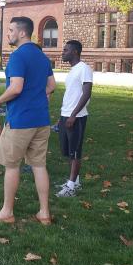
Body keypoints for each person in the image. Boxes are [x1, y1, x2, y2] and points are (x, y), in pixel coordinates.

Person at [0, 17, 56, 225]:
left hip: (21, 120)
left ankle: (7, 212)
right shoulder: (42, 57)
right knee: (39, 165)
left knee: (12, 166)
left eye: (11, 30)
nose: (8, 34)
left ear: (22, 33)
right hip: (41, 119)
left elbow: (15, 88)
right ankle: (44, 213)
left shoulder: (17, 57)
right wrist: (38, 96)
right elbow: (51, 85)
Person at [55, 40, 93, 198]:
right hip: (67, 115)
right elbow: (70, 95)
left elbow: (86, 93)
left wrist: (73, 115)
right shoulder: (73, 70)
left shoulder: (84, 68)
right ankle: (75, 182)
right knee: (68, 151)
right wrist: (62, 117)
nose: (63, 52)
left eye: (66, 50)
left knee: (75, 152)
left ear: (75, 52)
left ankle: (71, 187)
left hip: (76, 117)